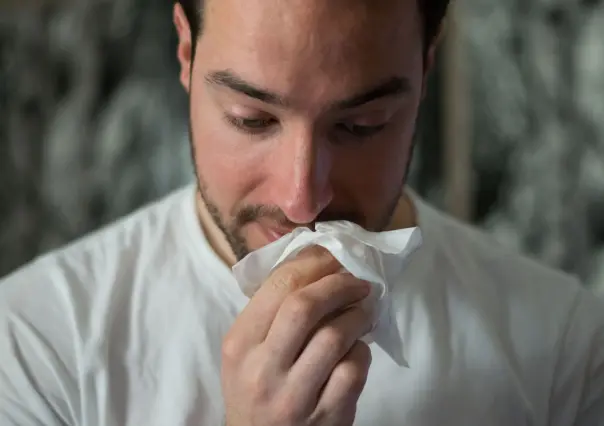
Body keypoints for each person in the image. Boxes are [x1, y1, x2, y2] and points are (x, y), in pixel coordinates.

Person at [1, 0, 603, 424]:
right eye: (252, 119)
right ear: (185, 51)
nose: (302, 200)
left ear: (425, 66)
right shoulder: (36, 348)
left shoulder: (563, 351)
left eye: (360, 126)